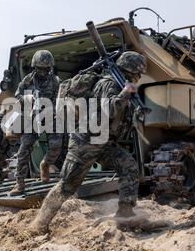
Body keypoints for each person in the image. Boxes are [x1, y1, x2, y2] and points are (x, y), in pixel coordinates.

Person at [29, 51, 148, 234]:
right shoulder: (109, 84)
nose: (139, 77)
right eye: (138, 73)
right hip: (85, 141)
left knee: (128, 166)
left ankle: (125, 213)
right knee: (67, 186)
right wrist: (125, 93)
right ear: (131, 71)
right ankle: (39, 224)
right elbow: (108, 108)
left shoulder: (118, 84)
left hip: (104, 141)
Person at [10, 50, 63, 196]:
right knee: (23, 150)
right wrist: (27, 100)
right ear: (35, 67)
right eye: (40, 68)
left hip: (50, 117)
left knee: (56, 146)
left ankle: (45, 164)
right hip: (32, 118)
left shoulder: (55, 81)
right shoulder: (28, 80)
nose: (44, 71)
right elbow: (18, 95)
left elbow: (60, 98)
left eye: (46, 68)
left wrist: (52, 109)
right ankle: (19, 183)